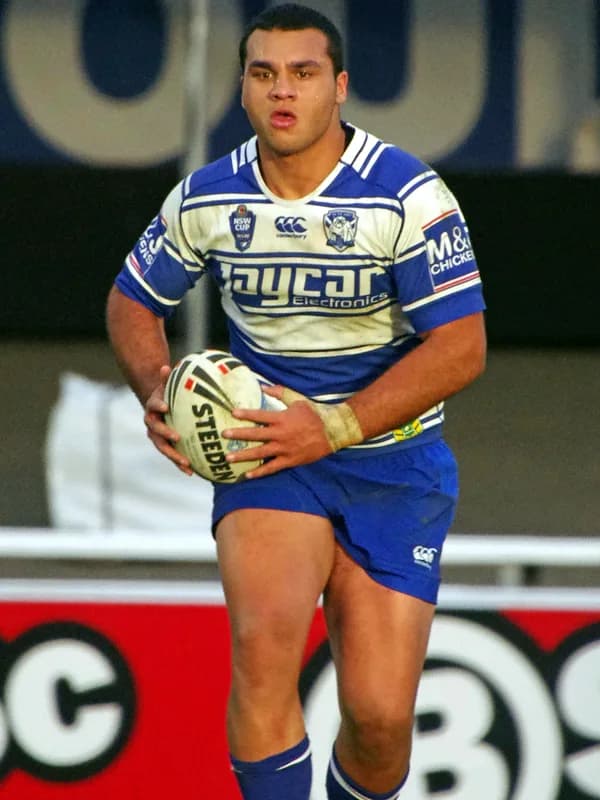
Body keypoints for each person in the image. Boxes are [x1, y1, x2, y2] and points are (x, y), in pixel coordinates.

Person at [106, 4, 487, 799]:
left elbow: (461, 348)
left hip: (394, 465)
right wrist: (155, 388)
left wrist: (336, 426)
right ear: (243, 89)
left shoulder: (407, 195)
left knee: (379, 722)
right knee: (264, 646)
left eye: (303, 73)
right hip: (269, 451)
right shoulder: (208, 197)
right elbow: (132, 299)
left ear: (339, 87)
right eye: (264, 73)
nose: (283, 90)